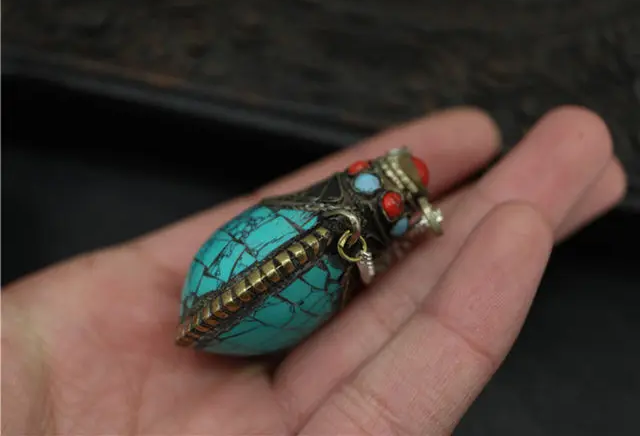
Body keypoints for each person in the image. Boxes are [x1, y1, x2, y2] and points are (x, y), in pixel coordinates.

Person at [2, 106, 626, 435]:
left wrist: (399, 231)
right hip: (263, 267)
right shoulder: (350, 211)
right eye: (378, 183)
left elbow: (369, 236)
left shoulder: (364, 225)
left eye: (390, 197)